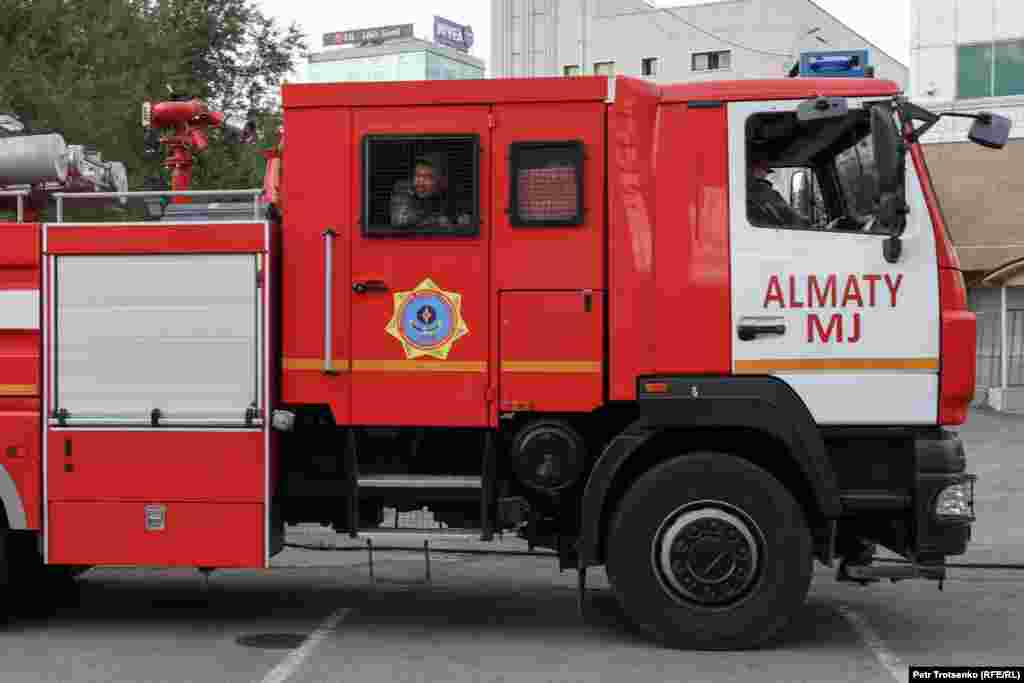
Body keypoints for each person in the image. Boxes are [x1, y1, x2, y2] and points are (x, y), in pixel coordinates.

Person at [390, 155, 456, 228]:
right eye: (417, 175)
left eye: (427, 177)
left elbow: (461, 217)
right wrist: (436, 220)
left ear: (441, 181)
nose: (420, 182)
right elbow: (400, 220)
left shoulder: (446, 193)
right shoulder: (403, 188)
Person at [747, 160, 810, 228]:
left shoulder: (744, 188)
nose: (765, 175)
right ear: (755, 170)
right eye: (765, 171)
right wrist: (805, 222)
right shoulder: (761, 189)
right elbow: (785, 212)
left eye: (766, 172)